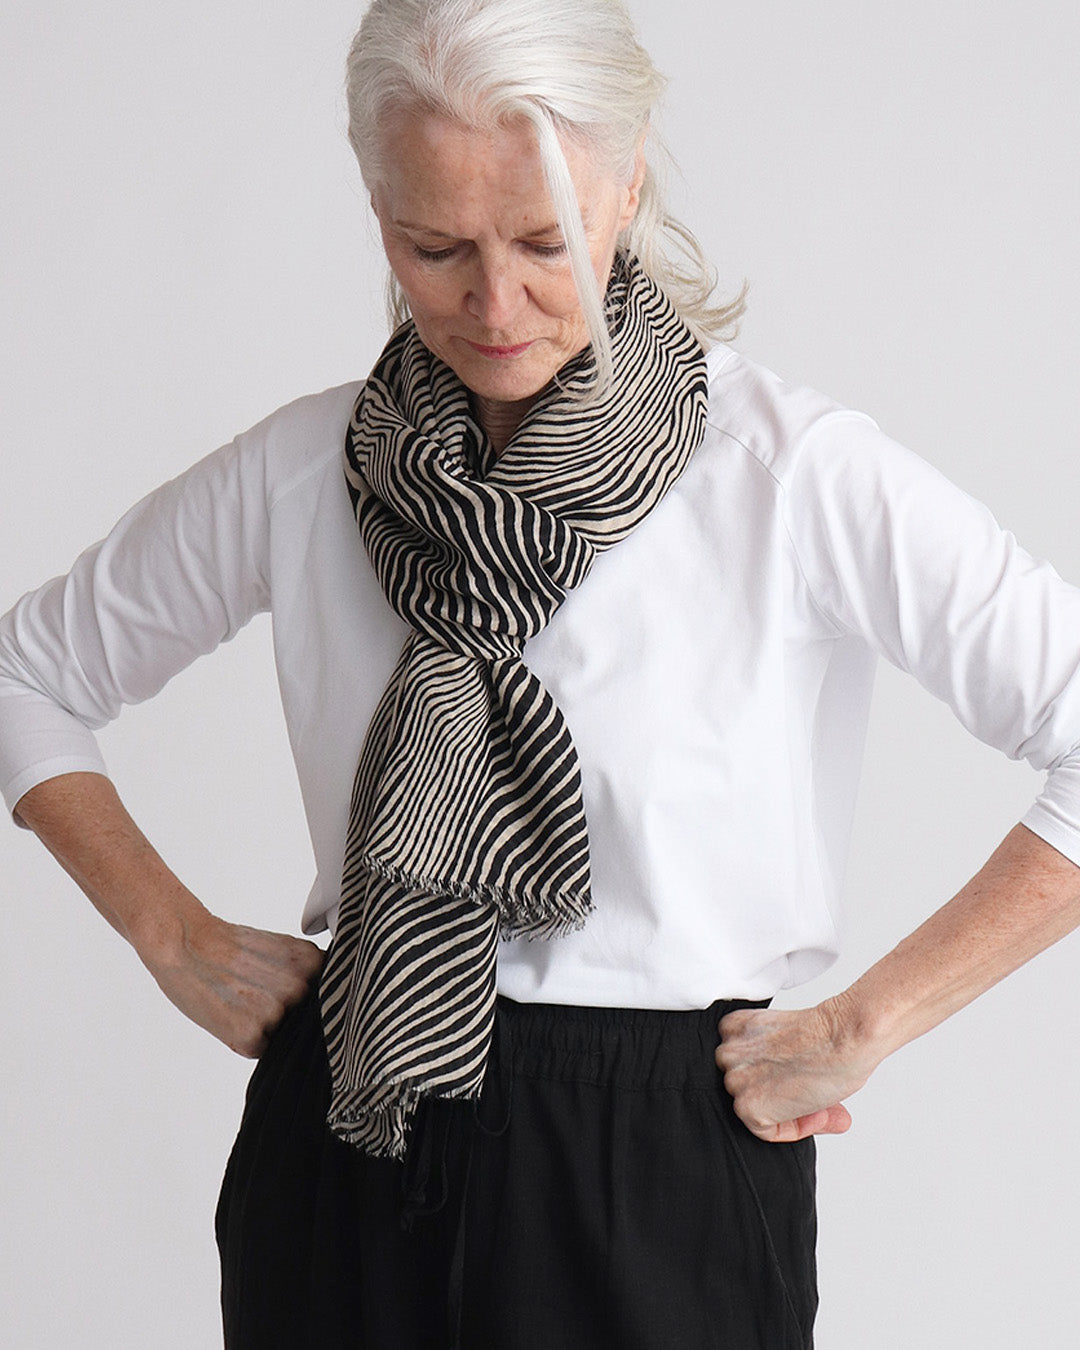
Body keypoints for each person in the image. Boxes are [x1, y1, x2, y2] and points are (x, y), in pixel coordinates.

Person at [2, 0, 1079, 1345]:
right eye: (436, 247)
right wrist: (171, 935)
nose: (495, 304)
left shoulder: (788, 475)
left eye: (542, 240)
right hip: (351, 1129)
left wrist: (870, 1022)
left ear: (629, 183)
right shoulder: (305, 470)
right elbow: (26, 677)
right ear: (376, 208)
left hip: (658, 1171)